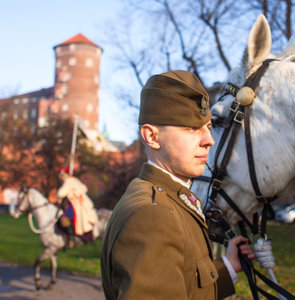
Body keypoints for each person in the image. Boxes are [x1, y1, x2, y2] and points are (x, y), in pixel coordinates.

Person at [100, 70, 254, 299]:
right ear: (152, 137)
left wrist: (229, 265)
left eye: (208, 128)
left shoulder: (168, 199)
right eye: (190, 129)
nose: (208, 141)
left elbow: (186, 285)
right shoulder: (152, 215)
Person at [57, 168, 98, 247]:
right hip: (85, 203)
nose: (61, 177)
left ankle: (72, 239)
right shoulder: (76, 180)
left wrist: (59, 196)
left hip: (77, 204)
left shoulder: (69, 181)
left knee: (64, 220)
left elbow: (61, 193)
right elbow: (84, 189)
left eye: (62, 175)